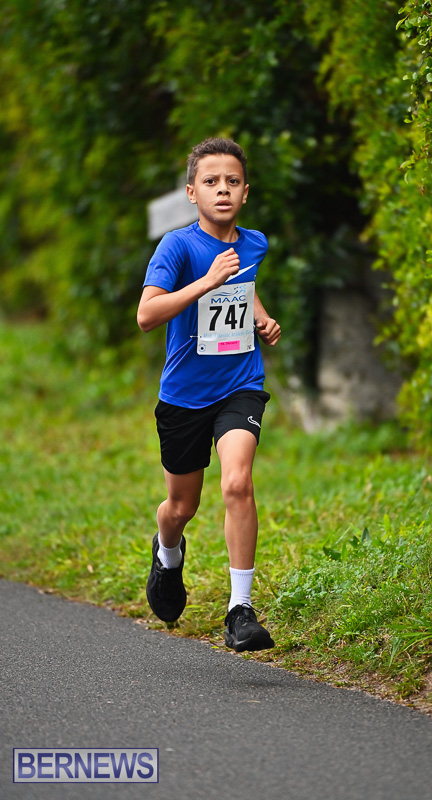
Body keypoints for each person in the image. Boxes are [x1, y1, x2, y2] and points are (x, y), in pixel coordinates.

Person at [137, 137, 281, 652]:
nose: (223, 189)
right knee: (181, 506)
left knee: (238, 483)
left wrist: (261, 319)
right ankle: (167, 554)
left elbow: (242, 287)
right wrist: (205, 281)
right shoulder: (176, 247)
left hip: (240, 385)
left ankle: (240, 609)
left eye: (233, 181)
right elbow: (147, 316)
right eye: (211, 181)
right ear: (192, 193)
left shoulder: (255, 243)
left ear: (245, 192)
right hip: (184, 395)